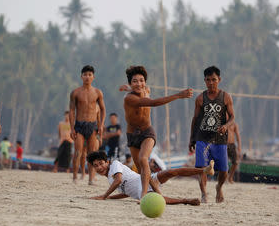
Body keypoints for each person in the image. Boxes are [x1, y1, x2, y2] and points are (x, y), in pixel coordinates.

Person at [122, 65, 193, 198]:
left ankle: (144, 195)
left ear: (145, 82)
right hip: (132, 135)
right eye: (135, 81)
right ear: (130, 83)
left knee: (144, 159)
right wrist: (178, 95)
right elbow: (153, 103)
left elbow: (144, 90)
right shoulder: (129, 98)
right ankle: (158, 193)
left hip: (147, 132)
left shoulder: (146, 89)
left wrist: (129, 86)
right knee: (141, 171)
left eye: (141, 80)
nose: (139, 84)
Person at [87, 150, 214, 205]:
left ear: (107, 162)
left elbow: (119, 180)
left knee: (171, 172)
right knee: (161, 200)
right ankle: (186, 201)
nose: (99, 167)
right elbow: (126, 193)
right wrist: (110, 197)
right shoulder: (110, 179)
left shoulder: (114, 165)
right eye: (96, 166)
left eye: (101, 163)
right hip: (142, 192)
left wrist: (104, 196)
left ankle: (203, 170)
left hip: (147, 179)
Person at [189, 66, 235, 203]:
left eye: (214, 80)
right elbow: (195, 119)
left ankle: (219, 187)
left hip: (220, 139)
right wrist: (192, 139)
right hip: (202, 138)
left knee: (224, 170)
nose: (211, 83)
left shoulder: (225, 97)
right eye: (208, 80)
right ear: (204, 81)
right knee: (201, 168)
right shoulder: (200, 99)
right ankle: (203, 193)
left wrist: (226, 126)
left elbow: (232, 117)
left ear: (219, 80)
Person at [70, 65, 106, 184]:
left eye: (89, 75)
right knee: (78, 152)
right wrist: (71, 128)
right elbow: (71, 111)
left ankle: (91, 179)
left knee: (92, 154)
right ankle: (75, 177)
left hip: (92, 126)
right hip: (79, 125)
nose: (87, 77)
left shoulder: (97, 92)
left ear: (93, 77)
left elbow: (102, 109)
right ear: (81, 76)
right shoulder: (75, 92)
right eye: (85, 75)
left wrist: (101, 126)